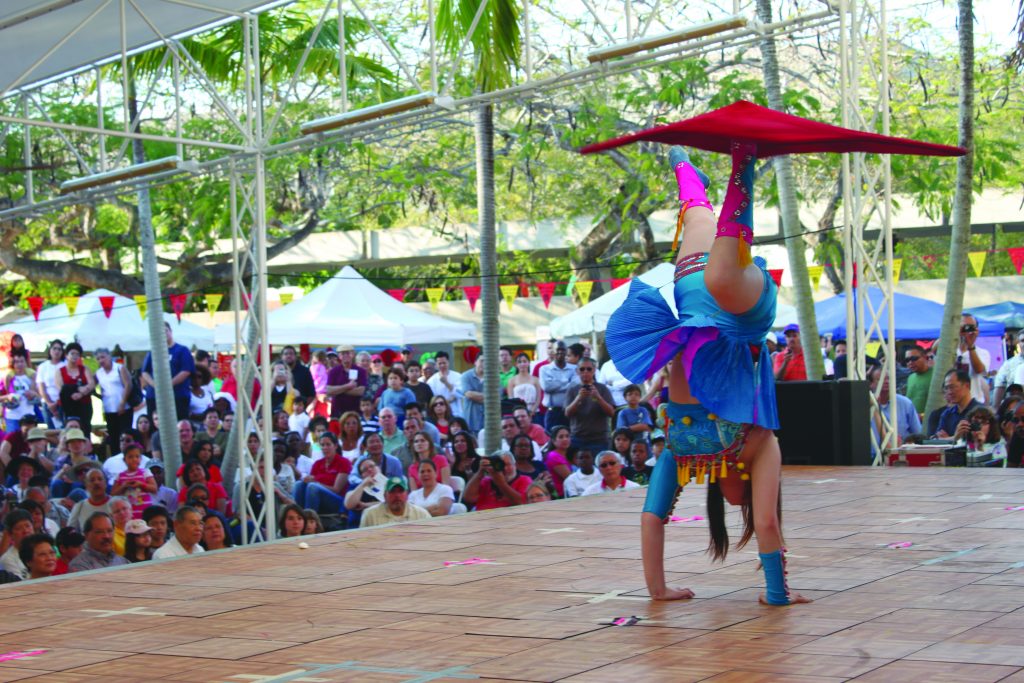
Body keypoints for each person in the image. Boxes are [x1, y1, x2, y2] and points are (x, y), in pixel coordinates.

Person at [605, 145, 808, 605]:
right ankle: (743, 163)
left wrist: (660, 592)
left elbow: (651, 517)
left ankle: (686, 167)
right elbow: (767, 524)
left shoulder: (690, 455)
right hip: (737, 313)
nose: (739, 502)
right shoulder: (753, 445)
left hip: (696, 294)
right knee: (720, 267)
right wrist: (777, 595)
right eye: (747, 502)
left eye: (734, 502)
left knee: (698, 218)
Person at [141, 322, 196, 420]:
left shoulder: (182, 350)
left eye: (165, 331)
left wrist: (168, 385)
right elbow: (145, 371)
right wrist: (155, 385)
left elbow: (186, 370)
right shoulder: (153, 351)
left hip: (177, 395)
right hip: (155, 397)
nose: (163, 334)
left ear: (171, 331)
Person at [292, 432, 351, 516]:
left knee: (313, 487)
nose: (325, 448)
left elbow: (337, 490)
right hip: (318, 497)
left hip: (337, 500)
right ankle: (297, 516)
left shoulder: (344, 462)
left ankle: (310, 519)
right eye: (322, 445)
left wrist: (317, 483)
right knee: (299, 484)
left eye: (328, 444)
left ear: (335, 446)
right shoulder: (317, 464)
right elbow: (310, 482)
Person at [564, 358, 615, 453]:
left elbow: (611, 413)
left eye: (589, 369)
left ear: (594, 370)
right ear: (577, 371)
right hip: (578, 437)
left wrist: (598, 398)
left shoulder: (602, 388)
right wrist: (578, 398)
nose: (585, 372)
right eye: (582, 369)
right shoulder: (572, 389)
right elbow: (567, 413)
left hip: (599, 439)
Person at [868, 366, 921, 446]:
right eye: (881, 379)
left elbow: (918, 435)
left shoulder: (905, 403)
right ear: (871, 384)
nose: (886, 382)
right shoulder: (864, 406)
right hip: (872, 455)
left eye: (888, 379)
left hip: (900, 453)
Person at [463, 451, 530, 511]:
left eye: (507, 464)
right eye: (500, 465)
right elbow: (468, 498)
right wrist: (480, 472)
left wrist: (501, 483)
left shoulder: (524, 480)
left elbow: (522, 503)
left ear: (515, 465)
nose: (504, 468)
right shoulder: (486, 481)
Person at [55, 342, 95, 436]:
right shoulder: (60, 371)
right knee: (68, 431)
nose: (75, 356)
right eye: (72, 353)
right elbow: (61, 387)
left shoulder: (85, 369)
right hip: (67, 406)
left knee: (85, 430)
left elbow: (91, 384)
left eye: (77, 354)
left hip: (84, 404)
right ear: (66, 355)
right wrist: (77, 389)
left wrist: (81, 394)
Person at [359, 476, 431, 527]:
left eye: (401, 491)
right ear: (384, 496)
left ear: (407, 494)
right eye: (392, 491)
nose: (397, 495)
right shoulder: (370, 515)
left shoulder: (422, 515)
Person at [111, 442, 156, 519]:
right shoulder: (120, 476)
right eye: (130, 457)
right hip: (128, 515)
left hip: (145, 513)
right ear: (124, 459)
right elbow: (113, 494)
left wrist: (141, 484)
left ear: (141, 459)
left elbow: (154, 488)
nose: (134, 459)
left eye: (137, 456)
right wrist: (124, 486)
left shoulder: (145, 472)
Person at [932, 369, 981, 438]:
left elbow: (978, 438)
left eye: (952, 387)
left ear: (967, 386)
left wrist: (951, 439)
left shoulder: (980, 412)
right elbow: (939, 439)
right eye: (946, 388)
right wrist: (953, 438)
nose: (949, 392)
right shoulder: (947, 414)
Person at [540, 342, 577, 430]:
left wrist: (555, 383)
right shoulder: (544, 369)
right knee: (551, 439)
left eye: (562, 350)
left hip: (570, 411)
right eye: (558, 350)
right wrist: (566, 382)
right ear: (553, 351)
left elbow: (575, 387)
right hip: (553, 412)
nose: (560, 352)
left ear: (566, 351)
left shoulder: (574, 368)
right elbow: (547, 387)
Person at [1, 352, 39, 437]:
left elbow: (39, 396)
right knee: (12, 442)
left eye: (22, 361)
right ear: (13, 364)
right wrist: (8, 396)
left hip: (29, 416)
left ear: (26, 362)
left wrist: (33, 394)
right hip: (12, 416)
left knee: (30, 441)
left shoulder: (31, 377)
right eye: (17, 362)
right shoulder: (7, 377)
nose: (19, 364)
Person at [325, 345, 367, 419]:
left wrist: (338, 390)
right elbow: (328, 390)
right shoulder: (334, 371)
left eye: (348, 353)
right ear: (339, 356)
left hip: (355, 412)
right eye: (343, 353)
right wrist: (348, 386)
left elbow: (360, 391)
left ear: (353, 354)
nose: (345, 356)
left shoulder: (361, 371)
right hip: (337, 412)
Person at [956, 314, 990, 404]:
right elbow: (935, 349)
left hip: (974, 402)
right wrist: (953, 332)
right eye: (963, 326)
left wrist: (970, 346)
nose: (967, 329)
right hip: (952, 402)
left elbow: (979, 370)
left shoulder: (983, 353)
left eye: (970, 327)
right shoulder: (950, 351)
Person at [67, 466, 112, 531]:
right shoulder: (80, 507)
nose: (96, 483)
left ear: (105, 483)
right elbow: (70, 531)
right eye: (92, 480)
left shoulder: (115, 504)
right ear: (86, 485)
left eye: (100, 479)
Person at [36, 339, 66, 428]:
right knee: (52, 430)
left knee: (64, 430)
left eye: (59, 349)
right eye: (54, 348)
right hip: (47, 403)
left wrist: (57, 402)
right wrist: (50, 403)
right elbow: (41, 387)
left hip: (63, 402)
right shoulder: (43, 366)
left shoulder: (65, 365)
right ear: (50, 350)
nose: (57, 351)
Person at [426, 351, 463, 418]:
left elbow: (461, 394)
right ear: (436, 365)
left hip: (456, 413)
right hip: (440, 415)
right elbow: (433, 400)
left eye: (444, 363)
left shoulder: (458, 376)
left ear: (448, 362)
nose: (442, 365)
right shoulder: (431, 381)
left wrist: (446, 382)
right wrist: (447, 401)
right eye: (440, 363)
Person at [0, 509, 34, 578]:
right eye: (19, 528)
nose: (25, 531)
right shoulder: (8, 559)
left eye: (28, 526)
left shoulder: (43, 551)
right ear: (10, 534)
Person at [541, 426, 573, 497]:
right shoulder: (554, 456)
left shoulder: (565, 455)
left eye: (567, 436)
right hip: (559, 496)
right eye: (561, 437)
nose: (565, 439)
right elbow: (571, 479)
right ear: (553, 441)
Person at [903, 344, 933, 418]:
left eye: (914, 358)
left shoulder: (936, 375)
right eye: (907, 360)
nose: (910, 362)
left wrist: (923, 416)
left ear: (925, 357)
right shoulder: (910, 378)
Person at [460, 354, 486, 433]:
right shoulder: (466, 376)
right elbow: (469, 394)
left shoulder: (495, 377)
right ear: (475, 362)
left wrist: (475, 395)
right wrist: (488, 397)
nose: (484, 364)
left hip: (488, 422)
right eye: (482, 361)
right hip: (471, 420)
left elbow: (496, 398)